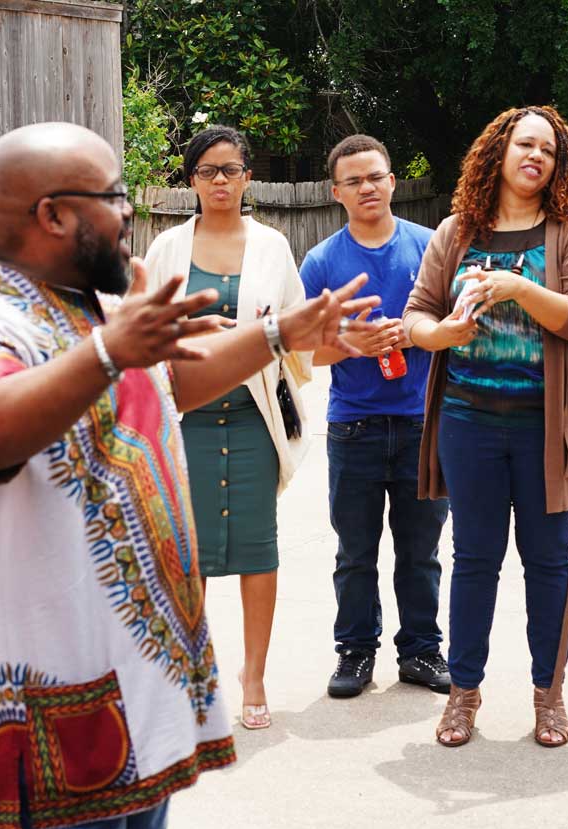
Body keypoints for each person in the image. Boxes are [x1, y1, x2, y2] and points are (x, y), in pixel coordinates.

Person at [0, 122, 377, 829]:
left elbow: (169, 383)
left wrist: (281, 335)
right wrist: (108, 351)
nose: (129, 211)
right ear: (53, 214)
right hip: (48, 707)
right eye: (113, 196)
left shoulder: (89, 306)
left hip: (130, 694)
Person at [403, 106, 568, 748]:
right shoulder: (456, 232)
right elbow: (416, 316)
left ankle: (549, 695)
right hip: (467, 421)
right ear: (499, 151)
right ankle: (463, 693)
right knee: (474, 559)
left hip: (546, 425)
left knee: (547, 562)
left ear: (559, 165)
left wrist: (518, 289)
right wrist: (442, 333)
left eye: (548, 150)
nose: (536, 156)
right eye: (525, 144)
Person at [143, 126, 311, 730]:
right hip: (184, 419)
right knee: (183, 555)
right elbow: (143, 331)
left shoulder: (272, 246)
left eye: (231, 170)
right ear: (191, 180)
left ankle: (254, 675)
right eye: (208, 170)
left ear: (247, 178)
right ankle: (188, 673)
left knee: (258, 550)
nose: (220, 180)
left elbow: (297, 331)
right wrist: (189, 334)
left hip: (252, 418)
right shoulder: (165, 248)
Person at [301, 134, 451, 699]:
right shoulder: (321, 261)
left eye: (374, 177)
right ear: (335, 192)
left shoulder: (430, 248)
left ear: (392, 182)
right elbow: (301, 353)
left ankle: (420, 651)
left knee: (422, 552)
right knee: (355, 552)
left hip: (422, 423)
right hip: (354, 426)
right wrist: (352, 344)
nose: (366, 187)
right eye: (353, 181)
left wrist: (417, 334)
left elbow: (458, 329)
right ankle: (355, 651)